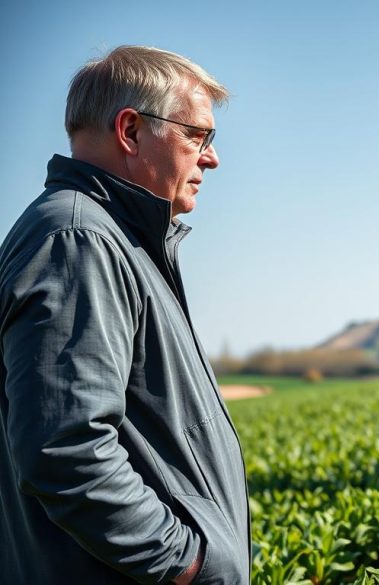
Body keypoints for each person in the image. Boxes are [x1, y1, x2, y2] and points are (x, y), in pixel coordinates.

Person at [0, 46, 249, 584]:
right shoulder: (78, 242)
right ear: (131, 131)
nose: (211, 158)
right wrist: (189, 564)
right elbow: (66, 448)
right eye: (197, 135)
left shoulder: (108, 238)